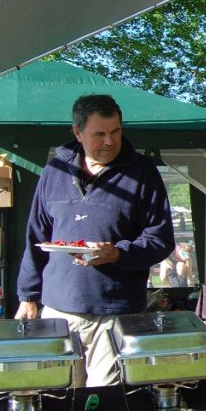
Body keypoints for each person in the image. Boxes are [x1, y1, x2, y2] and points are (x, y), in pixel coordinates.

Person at [15, 94, 175, 387]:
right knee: (60, 396)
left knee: (107, 402)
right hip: (59, 307)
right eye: (99, 134)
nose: (110, 141)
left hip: (116, 311)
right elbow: (36, 235)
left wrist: (118, 253)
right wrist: (27, 295)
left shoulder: (142, 173)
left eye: (115, 131)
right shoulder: (55, 170)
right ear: (77, 133)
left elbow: (161, 239)